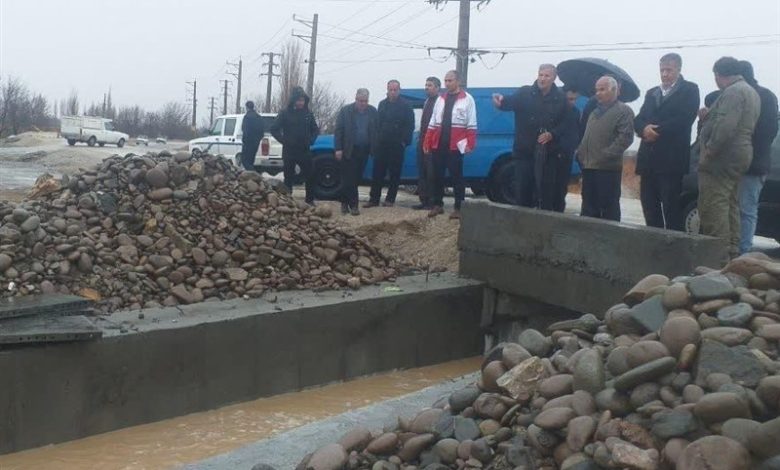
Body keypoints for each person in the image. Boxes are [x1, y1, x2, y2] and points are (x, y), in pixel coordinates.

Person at [698, 56, 760, 258]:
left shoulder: (733, 92)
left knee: (714, 204)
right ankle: (732, 250)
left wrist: (710, 150)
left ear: (718, 74)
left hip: (723, 156)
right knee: (730, 203)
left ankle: (717, 256)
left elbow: (725, 126)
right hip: (741, 153)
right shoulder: (750, 91)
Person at [634, 53, 700, 231]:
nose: (665, 74)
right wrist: (643, 129)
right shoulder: (652, 93)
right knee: (649, 206)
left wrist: (657, 131)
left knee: (671, 208)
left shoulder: (690, 90)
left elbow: (684, 119)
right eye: (662, 70)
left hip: (671, 160)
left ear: (678, 69)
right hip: (649, 159)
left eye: (669, 70)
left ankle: (673, 247)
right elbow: (639, 118)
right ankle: (653, 243)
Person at [492, 64, 570, 209]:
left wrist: (552, 134)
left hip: (549, 154)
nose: (542, 79)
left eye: (546, 76)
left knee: (546, 193)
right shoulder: (524, 93)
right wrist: (500, 102)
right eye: (540, 75)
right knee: (523, 192)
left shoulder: (560, 98)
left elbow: (566, 123)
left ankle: (544, 225)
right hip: (525, 152)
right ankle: (522, 226)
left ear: (554, 78)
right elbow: (507, 103)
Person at [577, 76, 635, 221]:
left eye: (602, 90)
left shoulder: (623, 111)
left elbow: (625, 138)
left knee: (608, 209)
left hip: (607, 169)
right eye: (597, 90)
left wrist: (606, 155)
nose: (598, 93)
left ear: (614, 90)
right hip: (589, 167)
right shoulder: (593, 112)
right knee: (588, 209)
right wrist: (580, 153)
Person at [423, 70, 477, 219]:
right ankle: (437, 205)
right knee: (437, 176)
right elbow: (433, 122)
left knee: (456, 178)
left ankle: (459, 208)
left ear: (457, 81)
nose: (447, 83)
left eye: (450, 80)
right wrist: (427, 140)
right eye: (445, 81)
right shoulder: (441, 99)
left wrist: (470, 144)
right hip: (438, 144)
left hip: (455, 146)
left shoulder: (467, 99)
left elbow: (471, 124)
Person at [737, 60, 779, 253]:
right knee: (746, 209)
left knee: (745, 209)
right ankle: (740, 250)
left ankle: (742, 251)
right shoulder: (767, 95)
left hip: (751, 163)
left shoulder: (751, 95)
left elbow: (764, 132)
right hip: (758, 162)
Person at [365, 80, 415, 208]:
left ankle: (390, 200)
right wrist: (376, 140)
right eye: (390, 90)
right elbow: (377, 124)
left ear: (399, 90)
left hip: (397, 145)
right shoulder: (382, 104)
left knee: (394, 173)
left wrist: (404, 142)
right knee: (377, 173)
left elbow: (410, 126)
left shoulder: (406, 105)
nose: (392, 92)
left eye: (395, 90)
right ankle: (373, 199)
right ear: (387, 90)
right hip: (382, 144)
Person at [270, 86, 320, 204]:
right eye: (298, 100)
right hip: (289, 150)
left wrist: (311, 140)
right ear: (293, 100)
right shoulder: (285, 113)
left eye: (302, 100)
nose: (300, 103)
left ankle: (310, 200)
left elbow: (315, 130)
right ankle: (287, 200)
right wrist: (284, 140)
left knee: (311, 174)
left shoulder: (308, 114)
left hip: (304, 150)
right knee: (288, 177)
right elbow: (274, 129)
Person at [334, 88, 378, 216]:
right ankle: (354, 206)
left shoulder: (373, 111)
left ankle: (343, 201)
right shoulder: (346, 111)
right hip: (349, 149)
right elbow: (339, 130)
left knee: (356, 178)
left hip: (364, 150)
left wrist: (375, 146)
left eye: (365, 101)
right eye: (360, 101)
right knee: (350, 178)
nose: (363, 103)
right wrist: (338, 148)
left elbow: (376, 129)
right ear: (356, 99)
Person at [412, 76, 441, 210]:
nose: (426, 87)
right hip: (422, 140)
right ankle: (423, 200)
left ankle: (433, 201)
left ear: (437, 87)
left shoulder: (440, 102)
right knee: (422, 171)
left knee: (431, 172)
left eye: (430, 85)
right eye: (426, 85)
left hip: (433, 142)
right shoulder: (427, 101)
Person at [240, 101, 264, 171]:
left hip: (248, 143)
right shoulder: (259, 117)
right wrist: (258, 139)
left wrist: (244, 140)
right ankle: (251, 177)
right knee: (251, 160)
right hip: (256, 143)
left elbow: (245, 130)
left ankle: (253, 173)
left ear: (247, 107)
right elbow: (262, 131)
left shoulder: (247, 117)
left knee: (244, 160)